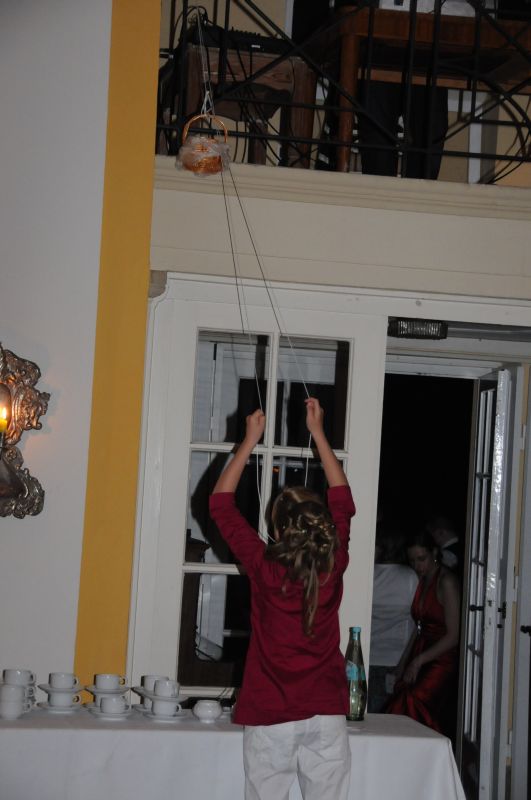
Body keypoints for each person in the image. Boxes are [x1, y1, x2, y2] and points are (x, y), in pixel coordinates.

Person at [209, 397, 356, 800]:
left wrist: (249, 440)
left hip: (271, 713)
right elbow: (343, 500)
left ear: (277, 531)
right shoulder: (334, 562)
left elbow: (220, 506)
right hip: (326, 713)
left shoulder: (264, 566)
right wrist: (319, 434)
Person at [386, 529, 460, 736]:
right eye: (412, 561)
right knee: (402, 694)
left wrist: (418, 661)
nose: (417, 566)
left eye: (422, 559)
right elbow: (418, 627)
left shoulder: (446, 582)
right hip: (421, 649)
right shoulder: (422, 579)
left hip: (442, 656)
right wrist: (403, 663)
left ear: (434, 552)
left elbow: (454, 636)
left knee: (414, 700)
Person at [368, 528, 418, 712]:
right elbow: (417, 620)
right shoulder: (410, 577)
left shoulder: (368, 575)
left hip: (370, 655)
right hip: (397, 658)